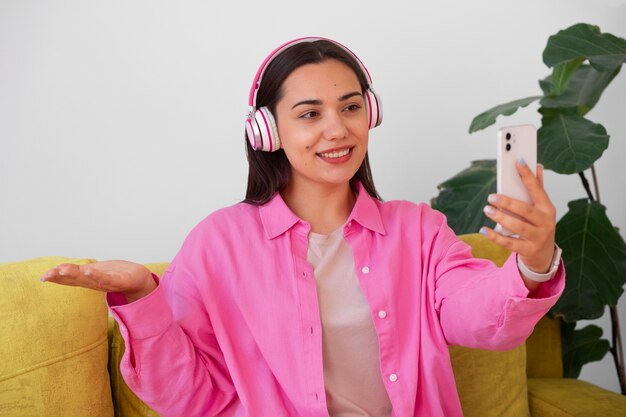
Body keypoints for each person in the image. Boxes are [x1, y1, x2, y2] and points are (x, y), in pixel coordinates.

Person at [41, 37, 564, 417]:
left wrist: (534, 261)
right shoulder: (218, 244)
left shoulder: (417, 229)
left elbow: (481, 318)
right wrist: (140, 297)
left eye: (351, 107)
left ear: (370, 114)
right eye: (310, 114)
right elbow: (186, 396)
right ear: (268, 130)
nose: (337, 129)